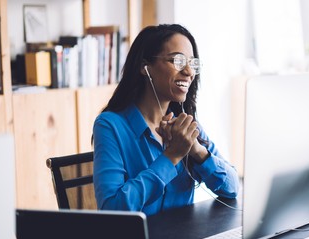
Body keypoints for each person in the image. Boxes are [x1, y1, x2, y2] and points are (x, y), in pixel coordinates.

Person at [93, 24, 239, 216]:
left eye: (192, 63)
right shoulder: (110, 125)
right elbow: (113, 209)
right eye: (178, 61)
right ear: (145, 68)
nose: (189, 72)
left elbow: (232, 187)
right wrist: (171, 157)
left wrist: (197, 151)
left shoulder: (185, 124)